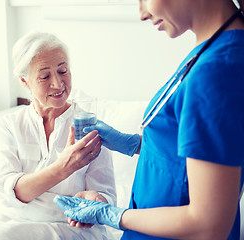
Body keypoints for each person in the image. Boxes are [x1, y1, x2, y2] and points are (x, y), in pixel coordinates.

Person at [54, 0, 244, 239]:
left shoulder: (216, 71)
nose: (142, 13)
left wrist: (111, 215)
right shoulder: (216, 48)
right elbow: (191, 155)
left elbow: (209, 225)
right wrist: (132, 143)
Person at [0, 31, 117, 240]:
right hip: (15, 220)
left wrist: (96, 199)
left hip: (70, 225)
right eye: (45, 76)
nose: (58, 84)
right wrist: (64, 167)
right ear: (25, 81)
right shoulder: (9, 126)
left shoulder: (89, 125)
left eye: (63, 71)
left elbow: (106, 195)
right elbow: (8, 191)